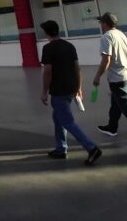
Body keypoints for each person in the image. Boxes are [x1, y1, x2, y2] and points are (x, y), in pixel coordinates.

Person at [39, 20, 102, 165]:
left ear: (46, 33)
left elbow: (47, 71)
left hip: (59, 91)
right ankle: (61, 148)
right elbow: (77, 68)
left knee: (67, 121)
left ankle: (91, 148)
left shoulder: (48, 48)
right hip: (71, 88)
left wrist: (44, 91)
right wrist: (78, 87)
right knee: (58, 118)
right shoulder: (69, 46)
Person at [92, 12, 127, 144]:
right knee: (116, 103)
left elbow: (106, 60)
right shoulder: (123, 34)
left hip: (118, 78)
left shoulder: (106, 37)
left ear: (105, 24)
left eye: (101, 22)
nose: (100, 24)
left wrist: (97, 76)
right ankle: (112, 128)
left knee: (126, 106)